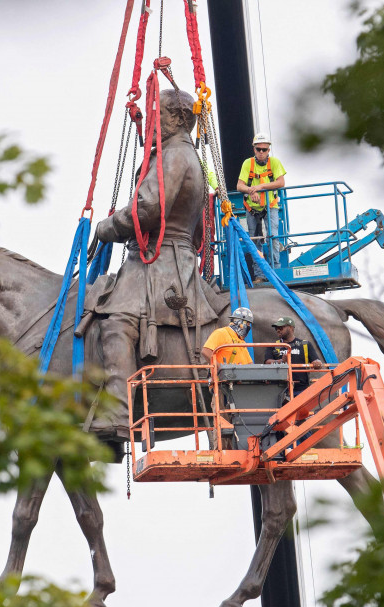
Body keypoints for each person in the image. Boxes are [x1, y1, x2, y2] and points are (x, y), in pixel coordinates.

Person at [87, 89, 225, 442]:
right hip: (171, 254)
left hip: (159, 260)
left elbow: (145, 209)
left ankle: (118, 412)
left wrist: (104, 228)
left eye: (157, 115)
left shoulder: (175, 155)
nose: (151, 122)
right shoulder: (183, 154)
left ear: (179, 119)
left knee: (117, 322)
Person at [236, 133, 286, 280]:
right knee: (255, 241)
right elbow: (239, 186)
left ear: (269, 150)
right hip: (252, 209)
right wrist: (251, 190)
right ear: (254, 149)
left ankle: (275, 273)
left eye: (265, 149)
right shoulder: (248, 164)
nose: (262, 152)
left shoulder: (275, 163)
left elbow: (281, 182)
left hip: (270, 206)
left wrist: (260, 187)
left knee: (273, 238)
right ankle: (259, 275)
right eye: (259, 149)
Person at [265, 315, 323, 393]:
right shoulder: (273, 346)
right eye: (276, 328)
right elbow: (267, 363)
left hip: (301, 390)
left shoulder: (305, 345)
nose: (278, 330)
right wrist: (281, 361)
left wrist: (317, 363)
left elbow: (316, 361)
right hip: (280, 390)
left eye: (281, 328)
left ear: (291, 328)